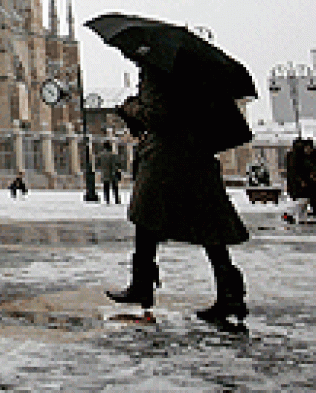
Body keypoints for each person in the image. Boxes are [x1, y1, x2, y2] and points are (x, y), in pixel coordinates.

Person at [106, 63, 251, 329]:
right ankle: (230, 295)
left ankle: (142, 286)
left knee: (146, 217)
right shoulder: (197, 74)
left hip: (166, 158)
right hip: (197, 155)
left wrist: (131, 109)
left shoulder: (157, 72)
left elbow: (158, 115)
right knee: (210, 228)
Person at [283, 136, 314, 225]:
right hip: (298, 183)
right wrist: (301, 180)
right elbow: (296, 171)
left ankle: (293, 214)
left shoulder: (292, 155)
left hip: (295, 182)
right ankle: (294, 215)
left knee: (301, 200)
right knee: (302, 199)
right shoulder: (297, 156)